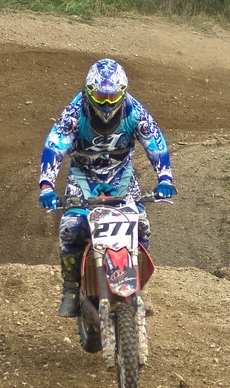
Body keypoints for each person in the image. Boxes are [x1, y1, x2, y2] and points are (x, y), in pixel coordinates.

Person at [38, 59, 177, 318]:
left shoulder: (135, 112)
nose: (106, 104)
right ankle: (71, 288)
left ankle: (137, 287)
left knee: (141, 225)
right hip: (83, 176)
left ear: (122, 94)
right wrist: (47, 185)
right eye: (101, 97)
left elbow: (155, 142)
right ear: (89, 92)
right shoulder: (74, 113)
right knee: (71, 227)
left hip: (121, 176)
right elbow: (54, 145)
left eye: (112, 97)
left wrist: (165, 179)